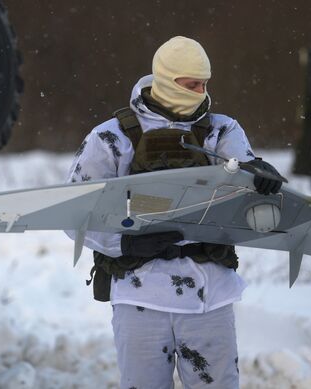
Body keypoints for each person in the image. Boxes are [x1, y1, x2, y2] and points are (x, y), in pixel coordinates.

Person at [67, 36, 282, 389]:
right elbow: (75, 212)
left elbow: (244, 172)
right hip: (139, 298)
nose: (201, 91)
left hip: (209, 298)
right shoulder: (112, 138)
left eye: (205, 84)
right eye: (192, 84)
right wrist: (126, 246)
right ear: (167, 80)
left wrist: (260, 175)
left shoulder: (220, 131)